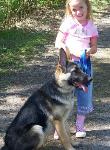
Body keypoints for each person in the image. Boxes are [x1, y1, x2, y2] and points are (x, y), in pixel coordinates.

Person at [54, 0, 98, 138]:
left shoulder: (91, 26)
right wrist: (67, 49)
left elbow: (95, 47)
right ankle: (60, 127)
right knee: (64, 95)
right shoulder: (67, 23)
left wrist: (88, 51)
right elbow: (58, 42)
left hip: (84, 65)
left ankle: (80, 125)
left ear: (87, 7)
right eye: (74, 9)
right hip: (69, 65)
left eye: (81, 7)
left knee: (84, 95)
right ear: (69, 9)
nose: (78, 11)